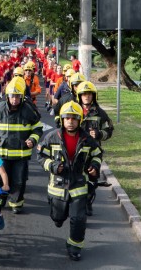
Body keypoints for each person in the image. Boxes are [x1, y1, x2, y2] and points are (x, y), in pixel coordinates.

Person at [37, 101, 102, 261]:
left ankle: (74, 246)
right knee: (58, 217)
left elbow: (98, 153)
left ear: (79, 120)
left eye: (74, 119)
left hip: (79, 185)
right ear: (62, 120)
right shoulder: (52, 137)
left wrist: (94, 165)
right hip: (57, 187)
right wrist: (52, 165)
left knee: (79, 219)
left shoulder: (87, 139)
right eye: (67, 119)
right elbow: (41, 156)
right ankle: (58, 217)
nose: (70, 122)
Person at [0, 77, 42, 214]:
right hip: (2, 153)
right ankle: (2, 199)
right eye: (12, 96)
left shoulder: (28, 110)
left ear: (21, 96)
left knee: (19, 180)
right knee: (1, 178)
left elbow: (38, 128)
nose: (14, 99)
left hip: (21, 154)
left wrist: (32, 140)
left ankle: (16, 202)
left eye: (17, 96)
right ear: (7, 96)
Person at [75, 81, 114, 215]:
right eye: (84, 94)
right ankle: (76, 202)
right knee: (76, 177)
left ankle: (88, 202)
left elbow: (109, 130)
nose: (87, 97)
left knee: (92, 178)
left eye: (89, 94)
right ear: (79, 96)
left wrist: (99, 134)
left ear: (94, 96)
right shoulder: (73, 110)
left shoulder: (100, 113)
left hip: (93, 153)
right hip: (76, 151)